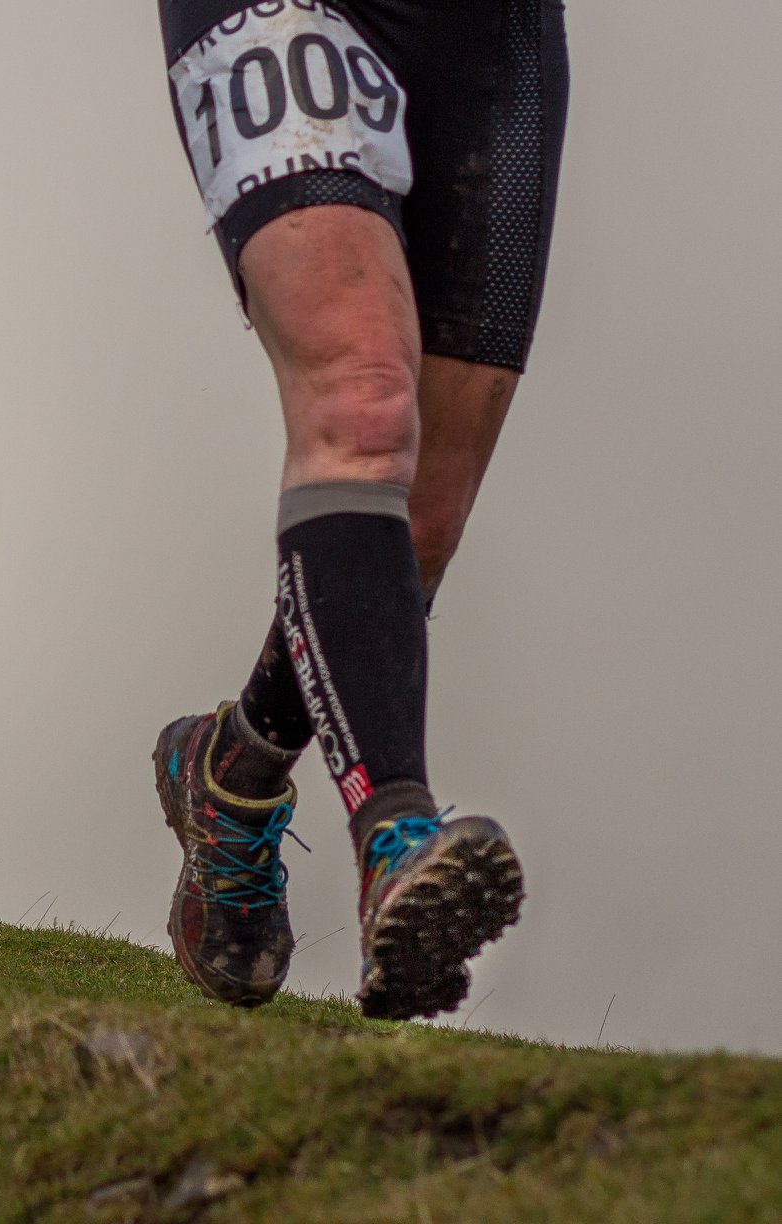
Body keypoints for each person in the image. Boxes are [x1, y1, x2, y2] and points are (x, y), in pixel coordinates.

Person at [152, 0, 568, 1019]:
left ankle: (230, 770)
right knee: (362, 403)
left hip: (490, 36)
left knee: (420, 521)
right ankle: (394, 834)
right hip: (287, 15)